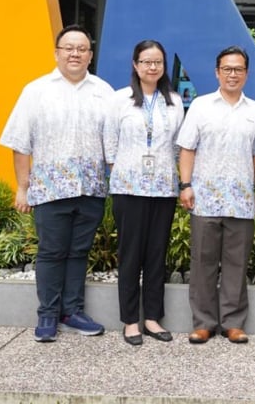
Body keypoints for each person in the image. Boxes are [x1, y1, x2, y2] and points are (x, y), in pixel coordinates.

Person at [2, 24, 113, 343]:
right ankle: (48, 315)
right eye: (69, 48)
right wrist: (22, 188)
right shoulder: (36, 91)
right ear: (57, 53)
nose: (75, 53)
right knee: (51, 252)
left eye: (82, 48)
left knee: (79, 251)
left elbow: (112, 144)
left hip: (91, 189)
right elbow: (20, 143)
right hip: (49, 191)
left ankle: (72, 311)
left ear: (90, 55)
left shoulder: (103, 92)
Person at [177, 45, 255, 345]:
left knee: (236, 263)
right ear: (217, 72)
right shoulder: (201, 106)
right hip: (205, 198)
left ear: (246, 73)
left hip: (241, 199)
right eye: (227, 69)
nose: (232, 74)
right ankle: (203, 322)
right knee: (202, 262)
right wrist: (185, 185)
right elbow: (187, 148)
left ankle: (233, 323)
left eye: (238, 69)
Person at [105, 40, 184, 346]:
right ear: (135, 65)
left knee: (155, 255)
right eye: (146, 62)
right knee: (130, 255)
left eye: (158, 62)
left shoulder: (174, 101)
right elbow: (110, 143)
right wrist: (124, 172)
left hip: (163, 188)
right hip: (128, 187)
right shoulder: (119, 100)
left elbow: (178, 146)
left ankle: (152, 317)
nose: (153, 67)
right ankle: (129, 321)